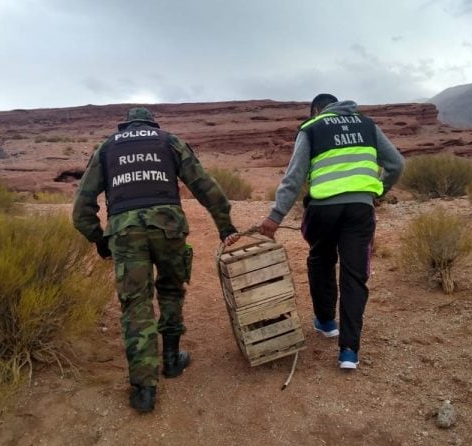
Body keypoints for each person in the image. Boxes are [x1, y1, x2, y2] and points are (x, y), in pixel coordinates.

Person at [73, 107, 238, 413]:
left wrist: (100, 240)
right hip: (169, 227)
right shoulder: (169, 141)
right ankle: (172, 360)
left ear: (126, 126)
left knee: (136, 305)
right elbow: (205, 186)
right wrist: (225, 226)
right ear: (151, 124)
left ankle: (144, 389)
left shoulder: (107, 148)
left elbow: (81, 209)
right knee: (171, 289)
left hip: (125, 231)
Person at [259, 94, 404, 370]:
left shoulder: (312, 127)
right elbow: (397, 164)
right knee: (354, 274)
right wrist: (377, 191)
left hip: (323, 210)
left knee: (320, 259)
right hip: (360, 210)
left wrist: (275, 216)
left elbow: (295, 176)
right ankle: (349, 351)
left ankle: (326, 322)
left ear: (316, 110)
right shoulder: (367, 124)